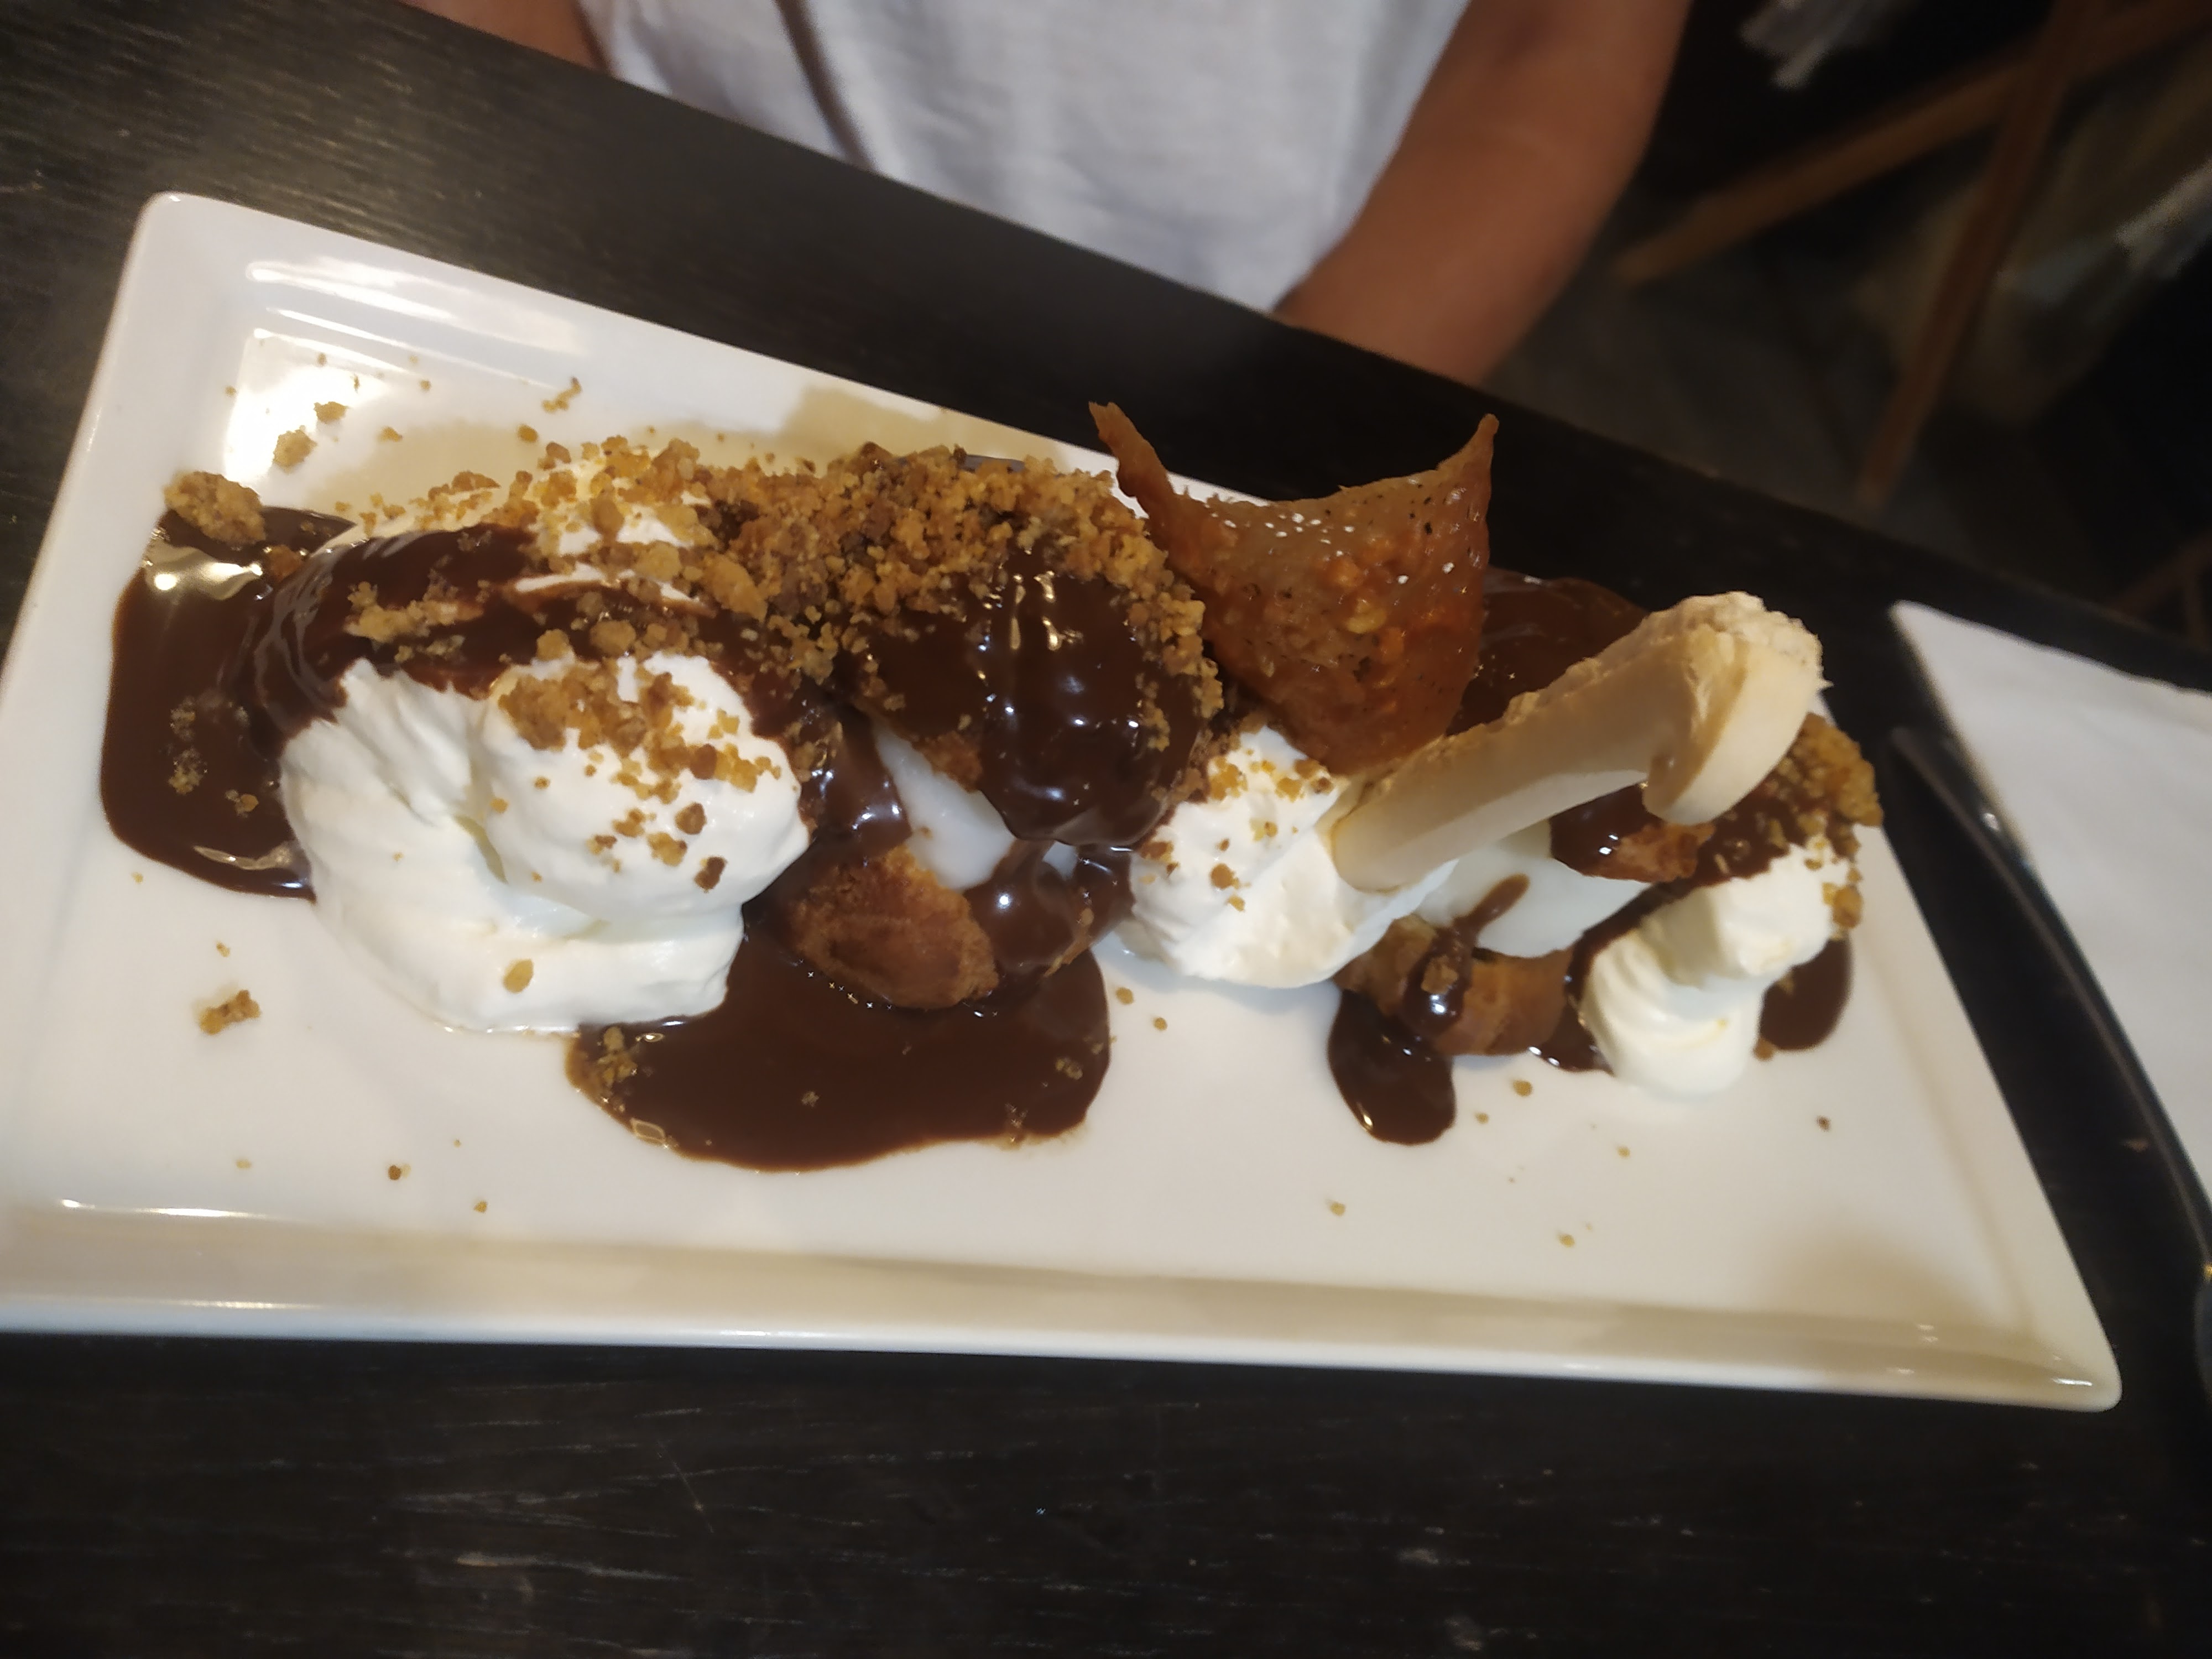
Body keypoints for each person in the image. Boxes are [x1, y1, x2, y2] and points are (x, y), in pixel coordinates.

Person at [403, 1, 1688, 385]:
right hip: (579, 170)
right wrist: (537, 146)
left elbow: (1555, 43)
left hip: (1217, 361)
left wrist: (1294, 412)